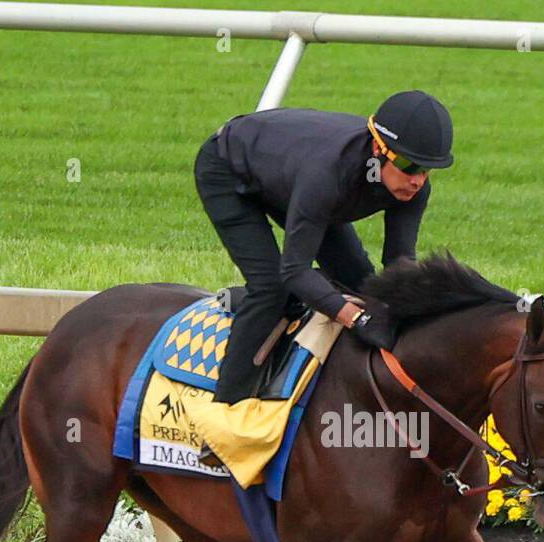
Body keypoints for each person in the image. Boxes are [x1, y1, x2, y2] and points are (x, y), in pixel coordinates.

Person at [193, 90, 454, 404]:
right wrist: (355, 319)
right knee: (271, 288)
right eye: (410, 166)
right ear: (377, 148)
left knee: (362, 283)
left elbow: (398, 261)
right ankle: (227, 408)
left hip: (292, 175)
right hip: (228, 169)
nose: (418, 180)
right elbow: (294, 269)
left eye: (427, 169)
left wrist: (416, 311)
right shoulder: (328, 175)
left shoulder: (412, 187)